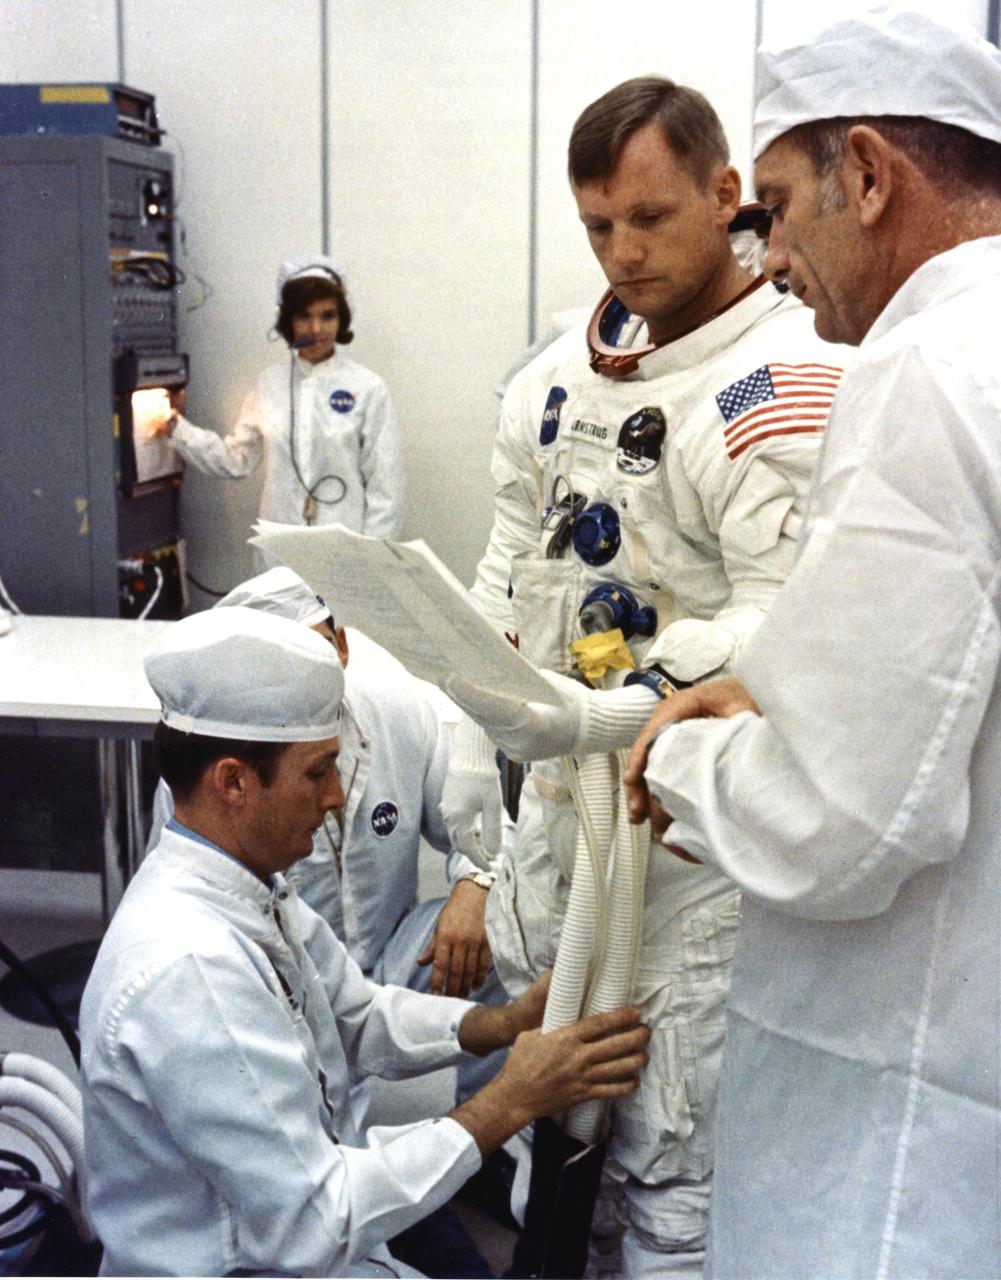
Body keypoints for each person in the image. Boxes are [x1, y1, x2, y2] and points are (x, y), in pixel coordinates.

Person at [442, 75, 847, 1275]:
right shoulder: (556, 375)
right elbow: (512, 561)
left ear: (726, 197)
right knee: (554, 1121)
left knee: (667, 1140)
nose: (622, 253)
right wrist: (478, 692)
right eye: (597, 227)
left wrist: (633, 691)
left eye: (651, 218)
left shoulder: (780, 376)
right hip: (564, 817)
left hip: (676, 832)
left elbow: (785, 610)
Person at [623, 8, 1001, 1277]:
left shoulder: (920, 371)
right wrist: (772, 679)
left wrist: (676, 763)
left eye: (777, 207)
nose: (770, 255)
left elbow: (848, 816)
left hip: (900, 1113)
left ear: (871, 172)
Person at [80, 607, 649, 1278]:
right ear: (233, 781)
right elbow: (316, 1219)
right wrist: (509, 1102)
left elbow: (354, 1015)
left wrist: (500, 1025)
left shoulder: (245, 890)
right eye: (317, 773)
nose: (336, 797)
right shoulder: (191, 971)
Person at [146, 566, 506, 1121]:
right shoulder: (218, 783)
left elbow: (483, 825)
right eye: (285, 668)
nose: (332, 797)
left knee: (506, 931)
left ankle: (492, 1150)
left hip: (387, 951)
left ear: (342, 644)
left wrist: (477, 884)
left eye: (315, 655)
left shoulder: (401, 711)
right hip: (283, 972)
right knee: (316, 1125)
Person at [160, 255, 406, 535]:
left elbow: (387, 489)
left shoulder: (367, 388)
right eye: (304, 317)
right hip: (280, 556)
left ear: (342, 319)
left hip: (341, 553)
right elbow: (238, 459)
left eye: (328, 316)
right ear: (288, 322)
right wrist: (179, 431)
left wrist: (368, 561)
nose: (316, 329)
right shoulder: (270, 384)